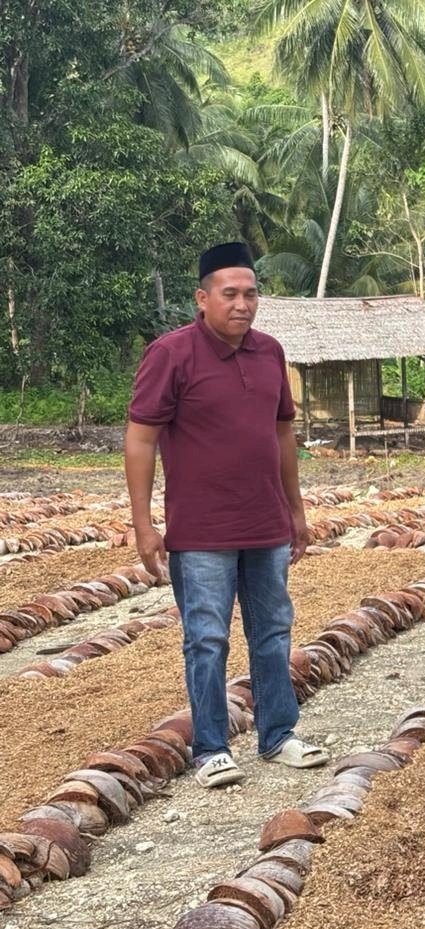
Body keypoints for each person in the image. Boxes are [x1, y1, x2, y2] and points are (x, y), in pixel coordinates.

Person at [125, 241, 329, 789]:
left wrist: (296, 510)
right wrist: (144, 524)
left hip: (264, 524)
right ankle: (211, 747)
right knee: (206, 637)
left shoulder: (270, 353)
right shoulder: (171, 354)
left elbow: (283, 432)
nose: (243, 304)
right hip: (201, 532)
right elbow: (141, 439)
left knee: (273, 630)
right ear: (202, 297)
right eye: (230, 294)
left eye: (251, 293)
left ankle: (279, 734)